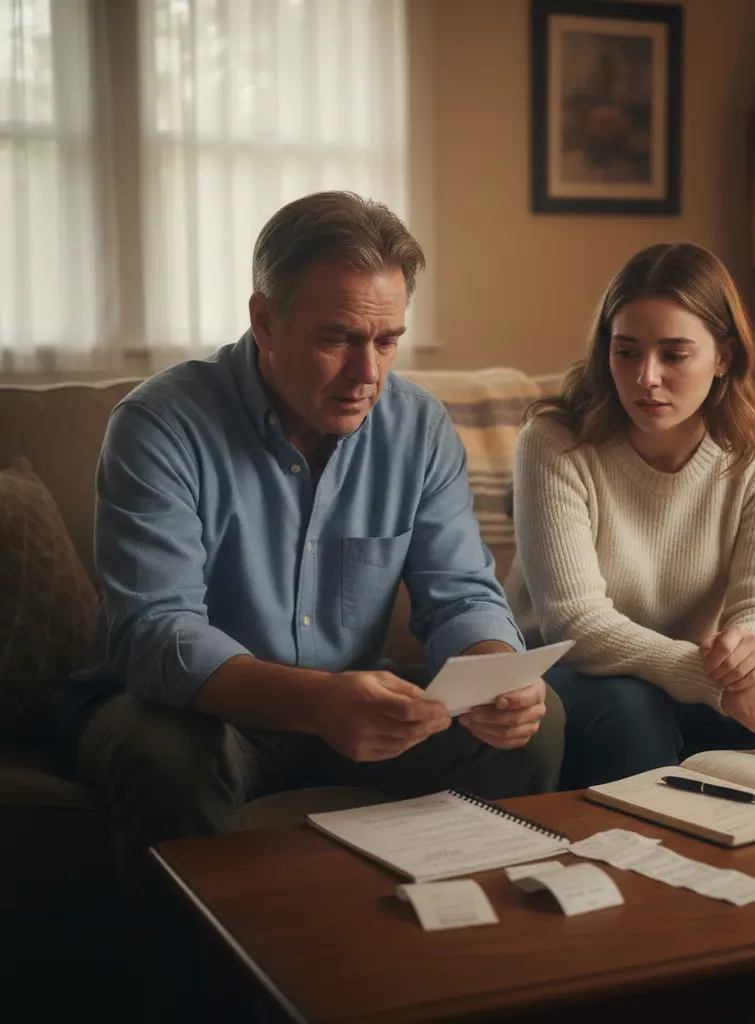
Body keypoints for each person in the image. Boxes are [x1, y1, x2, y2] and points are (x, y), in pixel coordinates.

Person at [56, 191, 564, 856]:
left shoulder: (418, 427)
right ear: (264, 321)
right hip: (191, 713)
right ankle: (193, 963)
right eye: (337, 339)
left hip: (351, 708)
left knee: (542, 721)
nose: (368, 373)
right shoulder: (159, 425)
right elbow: (156, 634)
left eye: (388, 342)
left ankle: (469, 954)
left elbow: (462, 594)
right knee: (168, 753)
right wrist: (317, 702)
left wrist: (497, 675)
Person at [506, 242, 755, 790]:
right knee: (631, 712)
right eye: (627, 352)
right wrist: (717, 685)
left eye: (674, 354)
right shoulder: (552, 442)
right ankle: (641, 869)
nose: (646, 378)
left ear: (724, 357)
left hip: (696, 670)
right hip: (576, 666)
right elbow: (575, 622)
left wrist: (750, 658)